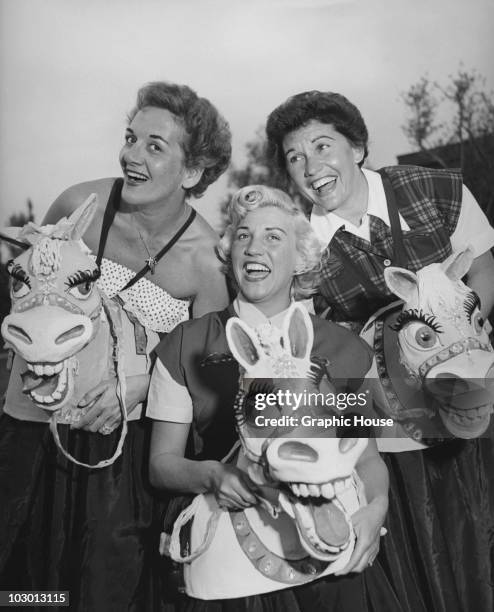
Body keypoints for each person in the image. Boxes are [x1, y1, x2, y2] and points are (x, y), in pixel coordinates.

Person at [0, 81, 231, 611]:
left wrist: (139, 386)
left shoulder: (205, 261)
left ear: (192, 172)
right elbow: (24, 290)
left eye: (155, 146)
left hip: (119, 447)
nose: (131, 155)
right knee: (24, 578)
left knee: (101, 579)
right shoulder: (78, 204)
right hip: (31, 425)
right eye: (131, 138)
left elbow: (204, 375)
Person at [265, 90, 494, 611]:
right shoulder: (304, 249)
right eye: (295, 157)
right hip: (390, 428)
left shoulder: (432, 187)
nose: (311, 166)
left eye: (323, 147)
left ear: (359, 148)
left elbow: (484, 266)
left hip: (473, 394)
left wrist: (460, 341)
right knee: (426, 559)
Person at [147, 185, 403, 611]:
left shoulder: (345, 347)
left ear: (300, 257)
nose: (254, 248)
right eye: (244, 236)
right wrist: (213, 476)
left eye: (273, 237)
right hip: (232, 571)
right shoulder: (185, 344)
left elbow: (368, 459)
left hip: (333, 562)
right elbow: (161, 466)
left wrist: (377, 508)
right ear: (229, 254)